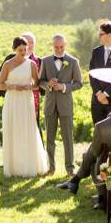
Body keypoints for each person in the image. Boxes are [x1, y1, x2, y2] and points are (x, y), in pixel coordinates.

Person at [0, 36, 49, 177]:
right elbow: (0, 85)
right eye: (20, 50)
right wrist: (13, 86)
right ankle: (14, 168)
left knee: (28, 130)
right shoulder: (8, 64)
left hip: (26, 100)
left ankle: (29, 165)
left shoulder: (32, 64)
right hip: (12, 100)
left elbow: (37, 84)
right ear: (14, 49)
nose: (23, 52)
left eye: (25, 49)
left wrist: (29, 86)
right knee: (13, 130)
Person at [39, 34, 82, 175]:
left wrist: (64, 87)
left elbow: (79, 83)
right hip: (50, 105)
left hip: (65, 106)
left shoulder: (73, 62)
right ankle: (51, 168)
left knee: (68, 138)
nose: (58, 49)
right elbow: (40, 82)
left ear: (65, 45)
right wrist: (48, 85)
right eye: (56, 47)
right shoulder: (45, 61)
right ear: (52, 46)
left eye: (61, 47)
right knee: (50, 138)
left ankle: (70, 168)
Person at [21, 31, 44, 134]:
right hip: (16, 102)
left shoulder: (40, 61)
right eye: (26, 42)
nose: (29, 45)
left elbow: (43, 90)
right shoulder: (9, 61)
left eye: (31, 42)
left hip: (33, 103)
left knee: (34, 132)